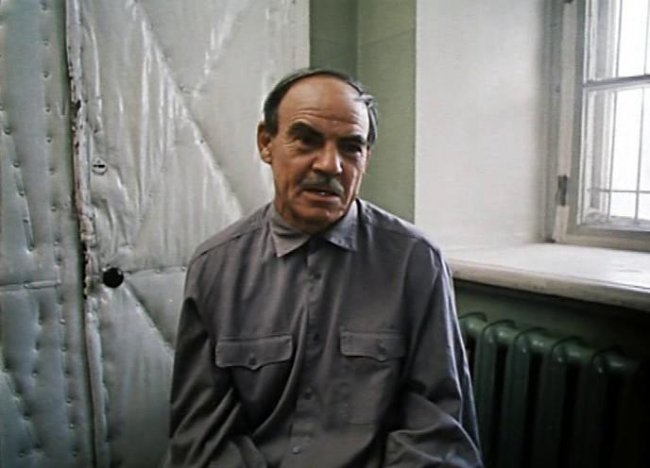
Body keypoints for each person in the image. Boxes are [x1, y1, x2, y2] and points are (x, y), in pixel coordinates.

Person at [166, 68, 483, 467]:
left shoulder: (416, 263)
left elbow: (436, 429)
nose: (331, 165)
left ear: (366, 158)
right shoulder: (214, 269)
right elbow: (202, 436)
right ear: (266, 143)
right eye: (307, 140)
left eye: (351, 147)